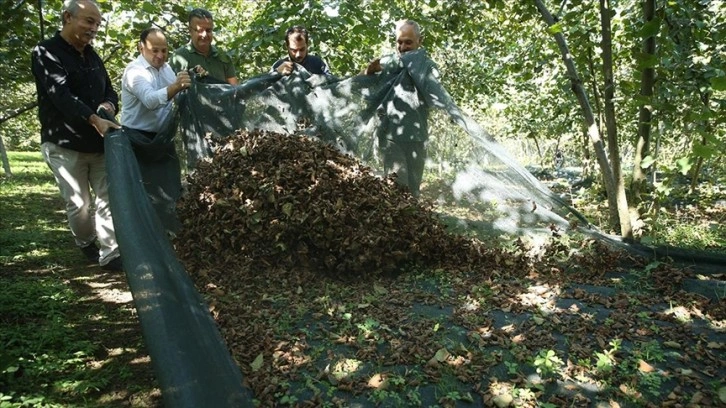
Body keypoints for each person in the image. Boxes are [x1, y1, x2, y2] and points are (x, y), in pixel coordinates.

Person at [30, 0, 123, 271]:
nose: (94, 28)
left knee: (108, 198)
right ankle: (85, 242)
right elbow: (61, 96)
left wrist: (108, 105)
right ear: (68, 17)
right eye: (88, 21)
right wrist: (94, 119)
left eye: (97, 23)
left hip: (99, 143)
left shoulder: (92, 55)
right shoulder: (46, 52)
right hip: (65, 143)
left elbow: (110, 90)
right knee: (80, 204)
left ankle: (111, 254)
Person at [363, 19, 430, 197]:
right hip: (390, 136)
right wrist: (369, 72)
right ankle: (397, 223)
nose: (403, 46)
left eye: (408, 42)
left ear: (419, 41)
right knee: (397, 187)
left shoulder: (427, 67)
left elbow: (433, 95)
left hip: (417, 137)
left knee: (414, 189)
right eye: (399, 42)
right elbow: (364, 85)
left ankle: (414, 223)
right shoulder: (386, 63)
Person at [121, 27, 192, 136]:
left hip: (162, 136)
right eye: (155, 50)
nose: (160, 56)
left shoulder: (166, 68)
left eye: (164, 50)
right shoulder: (134, 71)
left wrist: (194, 77)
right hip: (135, 136)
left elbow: (179, 96)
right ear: (141, 48)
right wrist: (176, 86)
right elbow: (150, 100)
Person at [170, 8, 238, 85]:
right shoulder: (180, 57)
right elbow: (172, 90)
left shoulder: (223, 57)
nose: (204, 35)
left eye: (208, 30)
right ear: (190, 31)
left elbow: (235, 90)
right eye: (200, 30)